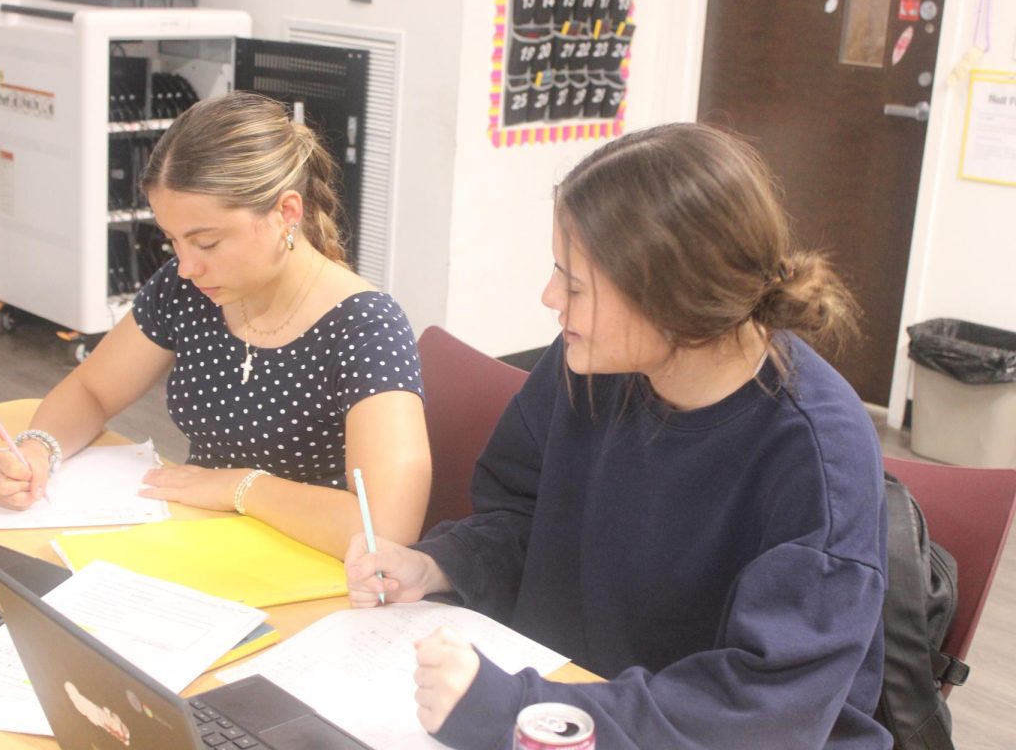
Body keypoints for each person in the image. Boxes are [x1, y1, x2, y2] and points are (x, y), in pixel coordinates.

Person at [346, 123, 890, 748]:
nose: (550, 297)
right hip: (581, 692)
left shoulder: (815, 458)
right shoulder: (592, 364)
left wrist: (526, 713)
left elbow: (762, 713)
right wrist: (440, 562)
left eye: (575, 285)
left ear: (674, 299)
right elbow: (526, 512)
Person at [0, 92, 431, 558]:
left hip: (314, 567)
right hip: (204, 546)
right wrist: (38, 450)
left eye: (208, 243)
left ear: (286, 214)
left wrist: (242, 488)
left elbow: (388, 528)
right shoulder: (190, 290)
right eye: (173, 241)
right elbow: (92, 391)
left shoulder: (366, 327)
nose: (185, 266)